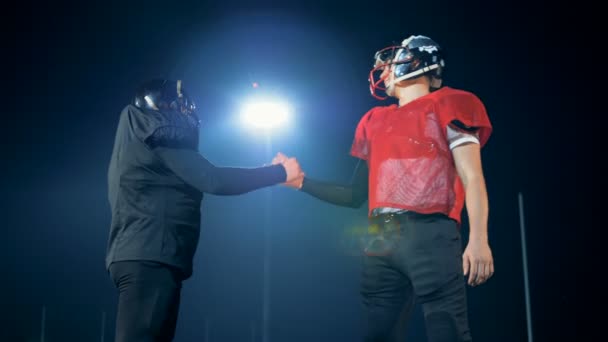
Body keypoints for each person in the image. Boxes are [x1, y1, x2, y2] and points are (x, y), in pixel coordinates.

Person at [276, 35, 494, 341]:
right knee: (378, 336)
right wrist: (302, 183)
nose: (384, 71)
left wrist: (479, 239)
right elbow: (354, 195)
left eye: (392, 63)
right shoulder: (375, 120)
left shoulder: (450, 103)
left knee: (448, 331)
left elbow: (472, 177)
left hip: (430, 229)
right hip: (381, 236)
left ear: (417, 62)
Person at [105, 79, 303, 342]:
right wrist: (279, 172)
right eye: (181, 109)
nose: (186, 117)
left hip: (143, 254)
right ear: (165, 108)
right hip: (151, 257)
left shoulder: (139, 138)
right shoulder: (155, 133)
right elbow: (213, 179)